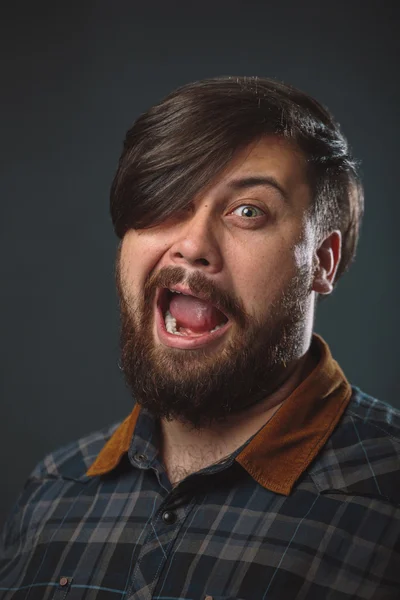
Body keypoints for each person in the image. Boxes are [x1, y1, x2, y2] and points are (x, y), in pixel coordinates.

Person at [0, 76, 399, 600]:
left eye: (248, 212)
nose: (192, 245)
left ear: (321, 262)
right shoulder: (51, 492)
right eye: (167, 200)